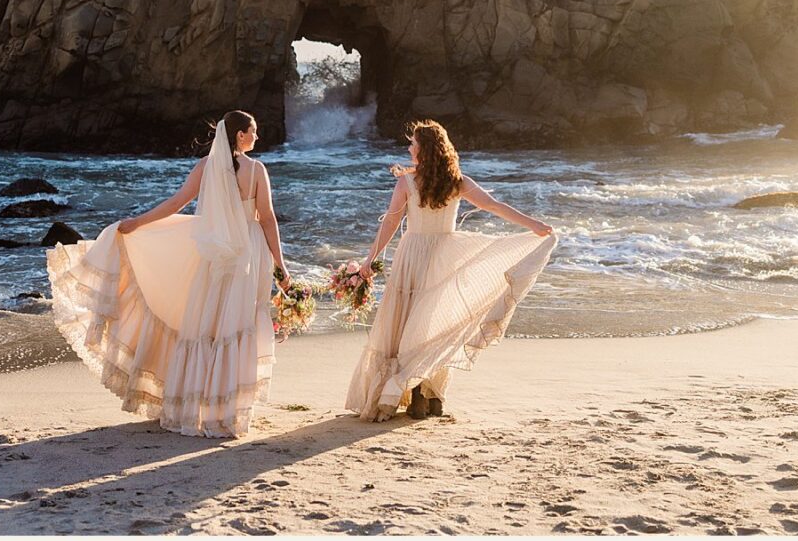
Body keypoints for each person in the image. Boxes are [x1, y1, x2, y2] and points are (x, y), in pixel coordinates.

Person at [46, 110, 290, 437]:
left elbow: (176, 204)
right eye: (254, 132)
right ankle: (228, 412)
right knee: (237, 326)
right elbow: (268, 218)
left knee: (207, 327)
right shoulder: (257, 170)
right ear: (241, 136)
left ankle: (194, 407)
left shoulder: (206, 167)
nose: (257, 137)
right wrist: (280, 264)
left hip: (212, 255)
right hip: (247, 255)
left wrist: (138, 223)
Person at [344, 118, 556, 421]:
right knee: (432, 323)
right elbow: (494, 205)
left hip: (413, 255)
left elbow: (390, 222)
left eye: (413, 144)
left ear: (424, 150)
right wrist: (532, 224)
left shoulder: (407, 182)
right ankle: (428, 396)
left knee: (408, 323)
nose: (409, 147)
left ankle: (414, 394)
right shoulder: (458, 181)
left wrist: (369, 259)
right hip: (444, 255)